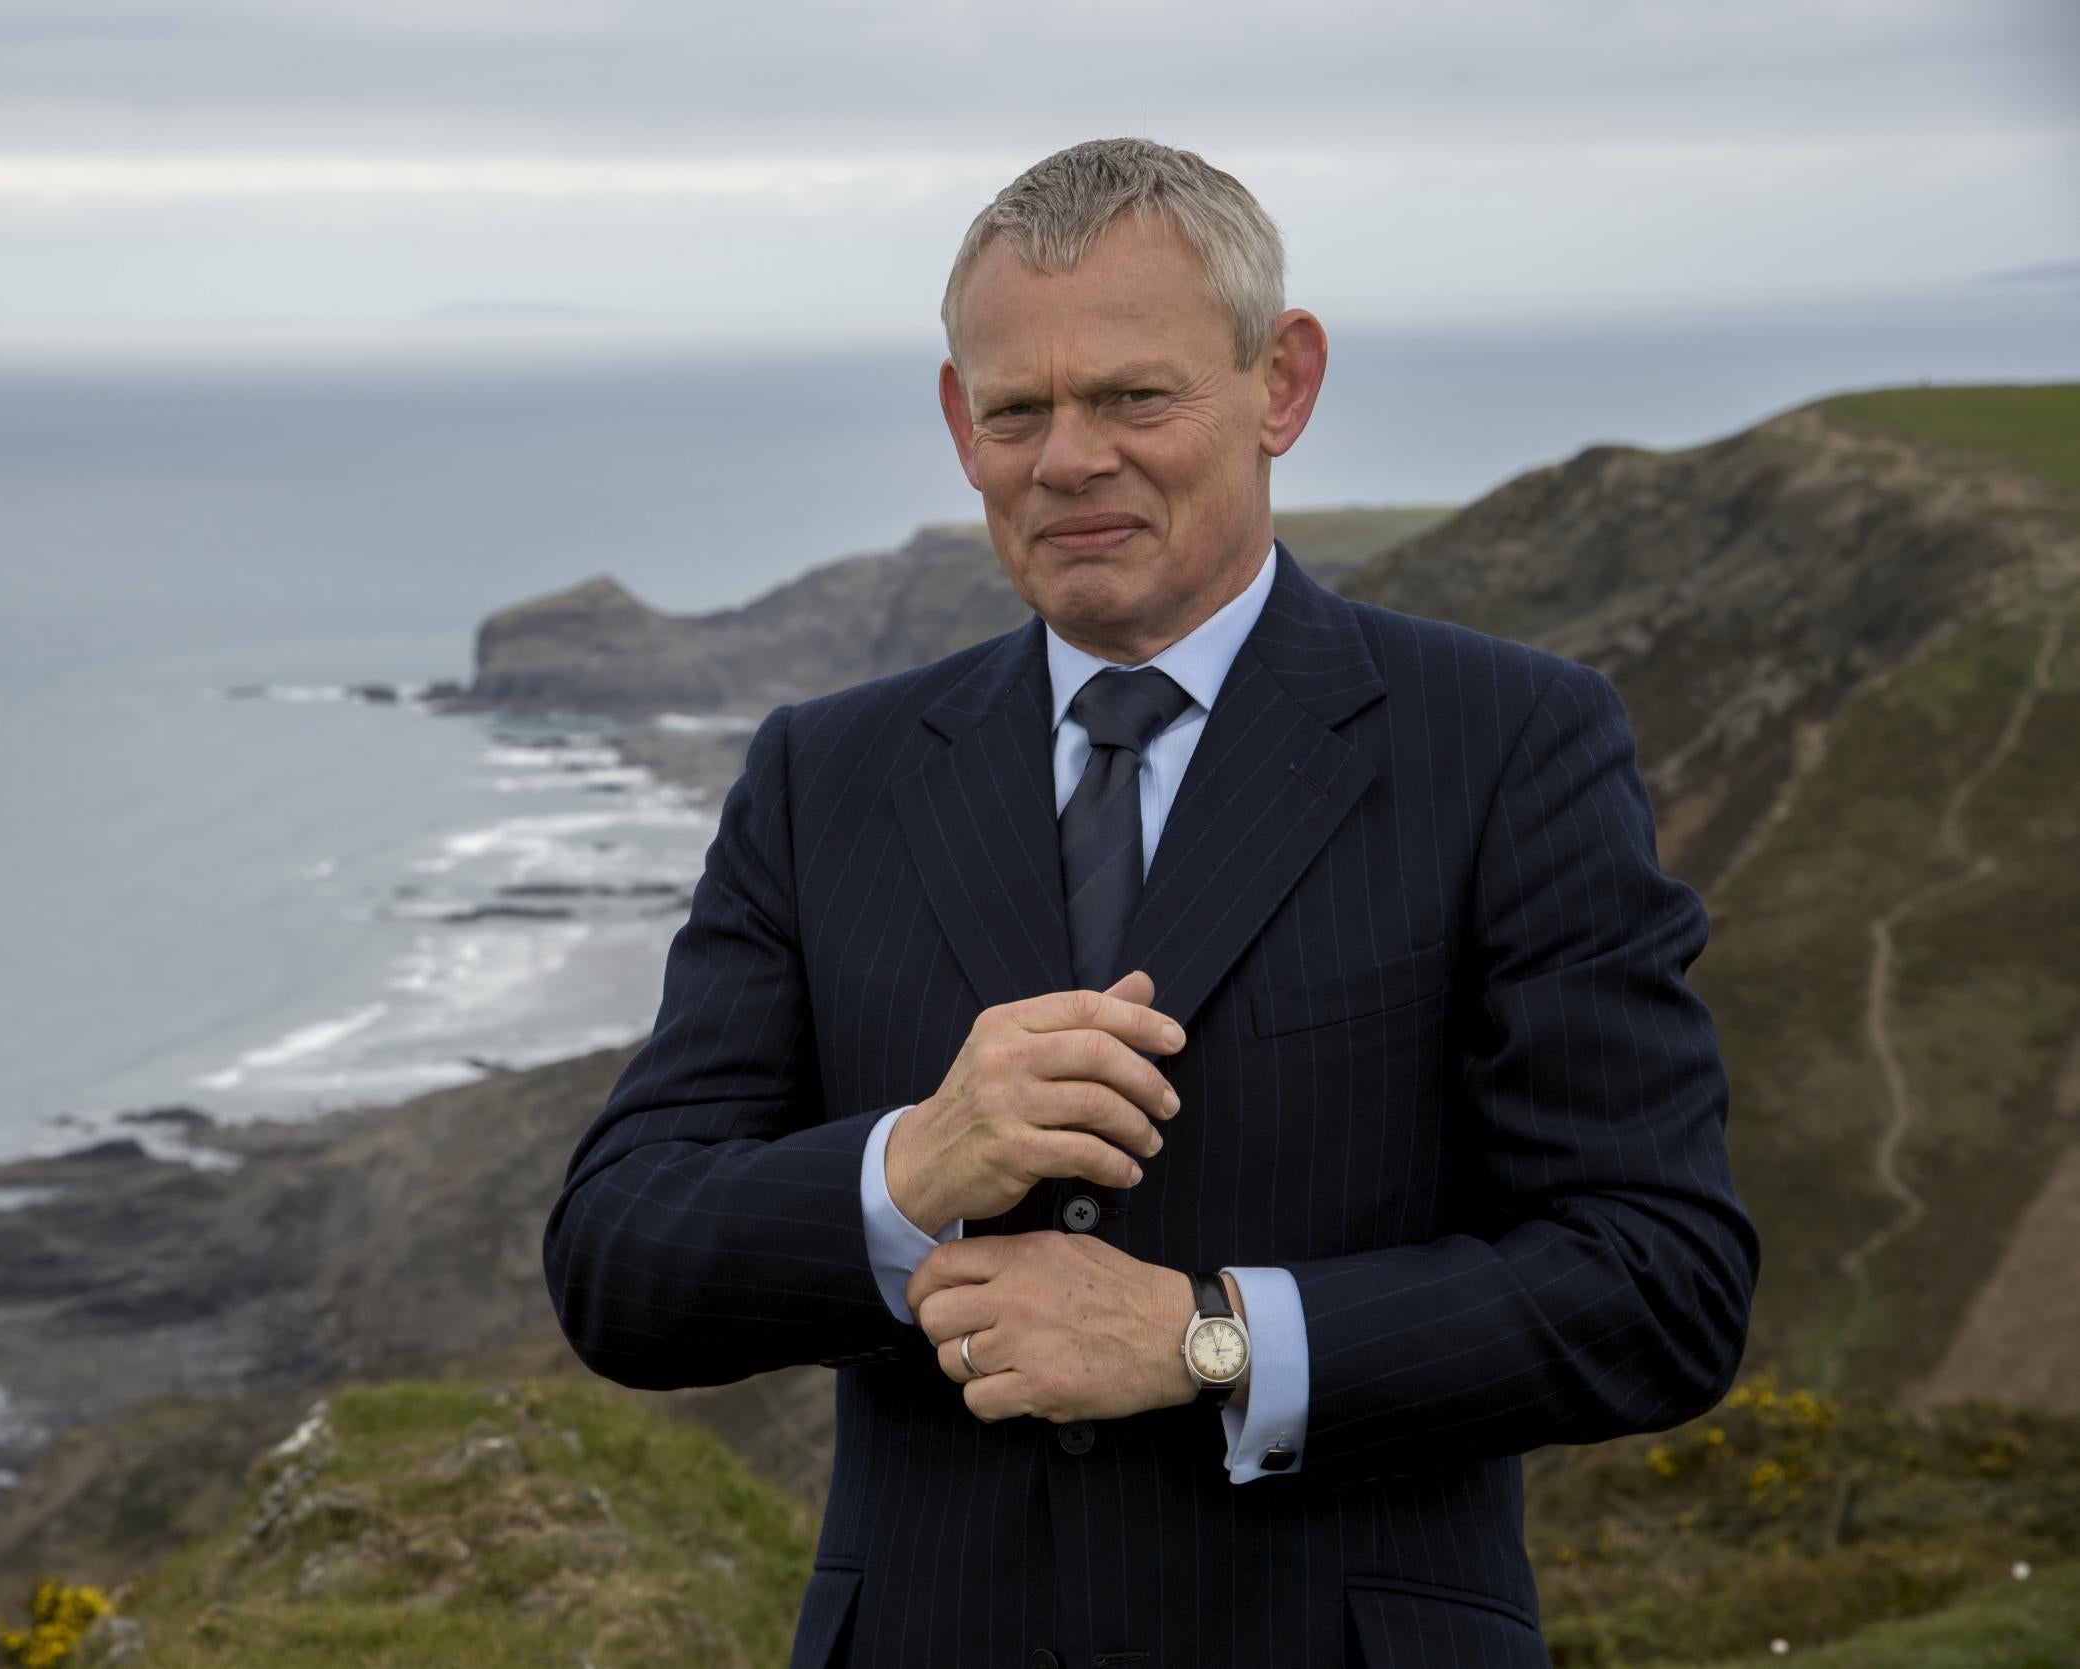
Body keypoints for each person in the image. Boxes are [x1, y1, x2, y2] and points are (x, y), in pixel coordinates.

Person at [542, 136, 1757, 1669]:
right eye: (1019, 409)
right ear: (956, 423)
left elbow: (1662, 1281)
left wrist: (1211, 1336)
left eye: (1134, 396)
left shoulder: (1509, 743)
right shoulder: (822, 773)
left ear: (1282, 383)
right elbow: (615, 1256)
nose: (1069, 459)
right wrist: (914, 1164)